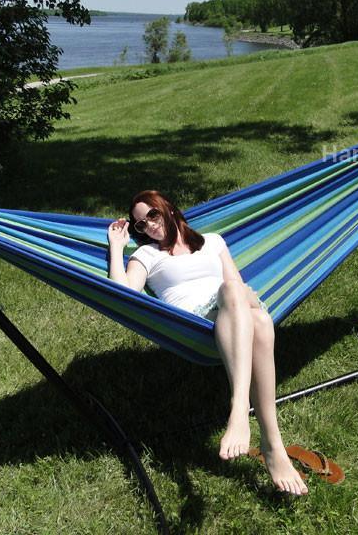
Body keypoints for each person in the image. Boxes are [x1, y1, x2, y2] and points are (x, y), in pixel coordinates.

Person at [107, 190, 308, 496]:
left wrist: (238, 297)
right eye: (139, 225)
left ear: (169, 210)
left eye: (152, 215)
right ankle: (264, 435)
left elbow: (237, 284)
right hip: (195, 322)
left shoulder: (213, 241)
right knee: (260, 322)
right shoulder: (146, 255)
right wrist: (115, 248)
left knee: (243, 302)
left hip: (233, 307)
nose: (147, 226)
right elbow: (124, 295)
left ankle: (248, 417)